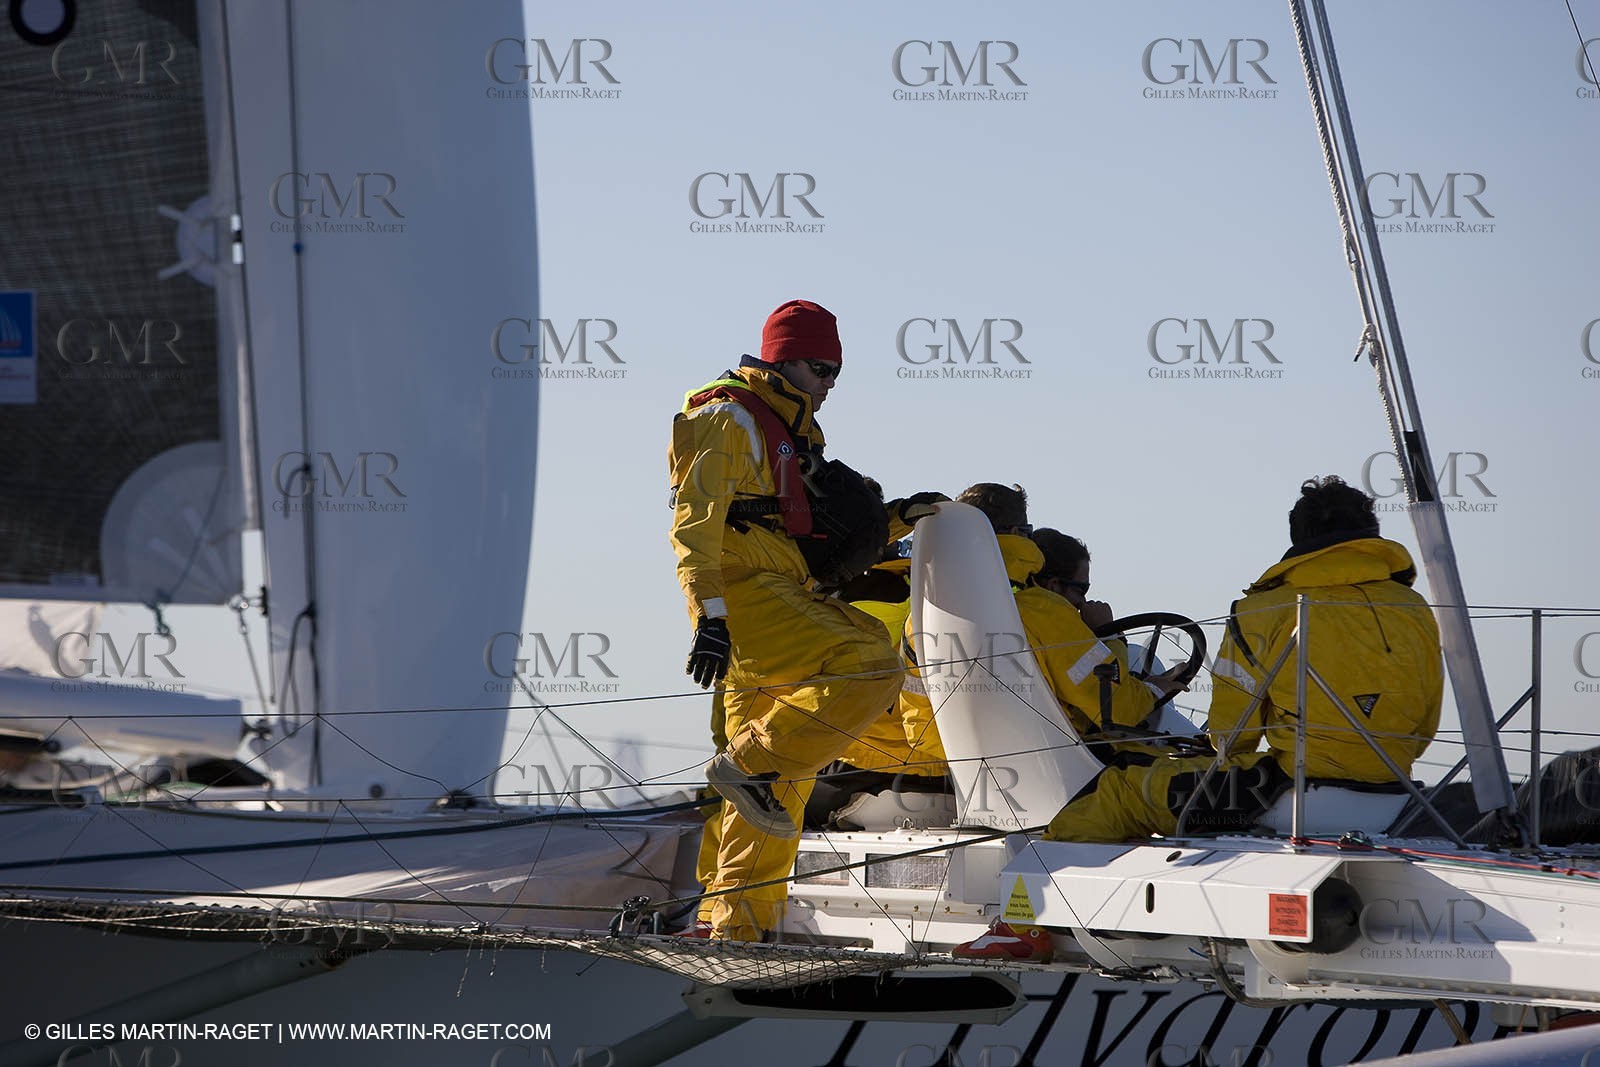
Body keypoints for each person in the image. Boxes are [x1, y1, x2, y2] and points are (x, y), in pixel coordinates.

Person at [669, 298, 940, 941]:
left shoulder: (790, 427)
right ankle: (740, 767)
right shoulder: (729, 418)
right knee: (873, 660)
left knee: (779, 782)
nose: (828, 386)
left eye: (836, 375)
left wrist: (899, 516)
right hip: (746, 590)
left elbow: (804, 525)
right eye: (821, 370)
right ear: (783, 360)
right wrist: (709, 616)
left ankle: (730, 925)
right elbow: (693, 525)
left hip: (774, 587)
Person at [1044, 475, 1444, 843]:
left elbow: (1232, 738)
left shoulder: (1263, 609)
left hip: (1292, 793)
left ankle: (1035, 917)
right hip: (1394, 795)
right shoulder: (1414, 608)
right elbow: (1425, 729)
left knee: (1120, 792)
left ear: (1298, 539)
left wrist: (1210, 748)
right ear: (1371, 536)